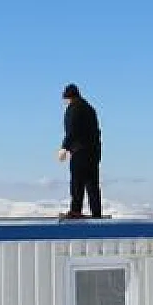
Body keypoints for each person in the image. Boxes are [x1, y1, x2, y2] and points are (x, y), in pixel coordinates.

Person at [57, 83, 103, 219]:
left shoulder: (74, 109)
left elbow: (72, 130)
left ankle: (75, 210)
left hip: (80, 151)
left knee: (77, 182)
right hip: (93, 152)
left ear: (68, 97)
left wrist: (64, 147)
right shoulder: (90, 109)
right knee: (92, 184)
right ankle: (96, 213)